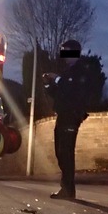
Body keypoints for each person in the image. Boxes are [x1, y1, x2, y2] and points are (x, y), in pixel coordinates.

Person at [43, 39, 89, 200]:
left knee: (66, 152)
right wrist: (48, 85)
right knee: (60, 152)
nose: (65, 56)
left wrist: (57, 79)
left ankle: (68, 190)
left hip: (72, 115)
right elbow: (60, 93)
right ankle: (66, 188)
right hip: (63, 115)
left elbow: (73, 89)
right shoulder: (68, 71)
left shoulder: (80, 70)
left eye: (67, 51)